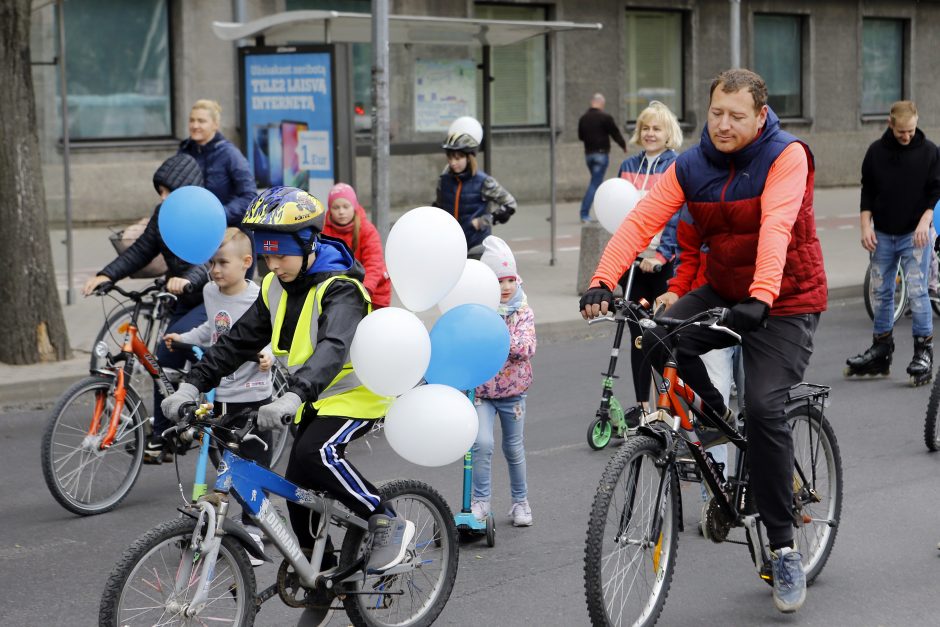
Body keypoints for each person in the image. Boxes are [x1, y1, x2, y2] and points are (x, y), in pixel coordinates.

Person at [580, 69, 827, 615]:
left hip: (784, 299)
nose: (723, 124)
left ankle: (784, 548)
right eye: (716, 113)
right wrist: (603, 278)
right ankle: (718, 423)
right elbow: (644, 218)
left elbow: (778, 227)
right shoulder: (691, 164)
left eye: (737, 116)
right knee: (654, 342)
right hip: (726, 288)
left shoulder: (787, 156)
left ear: (761, 117)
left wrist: (763, 295)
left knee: (764, 406)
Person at [160, 186, 414, 622]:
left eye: (280, 255)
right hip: (307, 394)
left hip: (355, 393)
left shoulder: (341, 290)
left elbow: (334, 347)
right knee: (299, 489)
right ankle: (324, 578)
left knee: (316, 453)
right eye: (266, 256)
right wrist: (191, 385)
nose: (272, 265)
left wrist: (295, 393)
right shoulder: (275, 288)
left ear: (307, 243)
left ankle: (386, 518)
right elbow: (236, 341)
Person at [82, 153, 210, 464]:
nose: (163, 198)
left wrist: (187, 278)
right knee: (162, 357)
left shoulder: (204, 213)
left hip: (211, 294)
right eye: (161, 192)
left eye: (169, 192)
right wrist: (107, 274)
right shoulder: (163, 214)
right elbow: (142, 249)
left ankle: (208, 411)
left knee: (179, 341)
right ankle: (163, 437)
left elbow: (210, 259)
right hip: (182, 295)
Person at [845, 100, 940, 386]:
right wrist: (865, 227)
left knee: (917, 292)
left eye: (911, 130)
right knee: (882, 294)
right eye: (902, 132)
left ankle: (923, 353)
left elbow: (935, 192)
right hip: (883, 234)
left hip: (915, 236)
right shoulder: (876, 152)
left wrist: (925, 222)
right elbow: (868, 191)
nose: (907, 136)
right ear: (890, 124)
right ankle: (881, 350)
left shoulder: (929, 152)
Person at [616, 101, 683, 408]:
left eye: (657, 128)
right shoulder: (628, 166)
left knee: (662, 334)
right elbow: (619, 213)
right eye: (645, 128)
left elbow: (676, 214)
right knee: (637, 336)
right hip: (632, 261)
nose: (650, 133)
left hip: (661, 264)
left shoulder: (675, 165)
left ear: (667, 132)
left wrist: (662, 256)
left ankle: (669, 402)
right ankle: (643, 407)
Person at [470, 236, 537, 528]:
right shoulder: (478, 312)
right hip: (482, 392)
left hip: (513, 394)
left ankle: (520, 502)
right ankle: (480, 502)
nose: (506, 287)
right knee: (481, 444)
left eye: (510, 280)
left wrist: (498, 333)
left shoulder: (523, 311)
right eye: (499, 282)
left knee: (513, 448)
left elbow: (525, 349)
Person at [178, 99, 257, 227]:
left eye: (201, 121)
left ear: (215, 125)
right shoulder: (184, 151)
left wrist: (220, 214)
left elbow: (249, 196)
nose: (195, 125)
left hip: (225, 228)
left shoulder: (230, 154)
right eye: (192, 120)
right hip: (190, 225)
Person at [433, 132, 517, 251]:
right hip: (450, 246)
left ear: (468, 158)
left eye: (458, 158)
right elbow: (438, 207)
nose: (452, 162)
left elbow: (510, 204)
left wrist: (482, 221)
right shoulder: (444, 181)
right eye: (450, 157)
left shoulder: (484, 182)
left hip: (476, 245)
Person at [322, 182, 392, 308]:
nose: (341, 212)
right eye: (336, 207)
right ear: (330, 209)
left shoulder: (367, 230)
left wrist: (364, 290)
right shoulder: (324, 231)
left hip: (374, 292)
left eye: (346, 206)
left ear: (354, 206)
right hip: (340, 290)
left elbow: (374, 265)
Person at [577, 93, 627, 224]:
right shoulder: (605, 117)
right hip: (601, 154)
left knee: (596, 183)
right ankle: (584, 213)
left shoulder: (583, 118)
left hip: (588, 155)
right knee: (595, 183)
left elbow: (580, 136)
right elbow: (615, 133)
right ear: (601, 103)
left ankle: (602, 211)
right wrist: (623, 145)